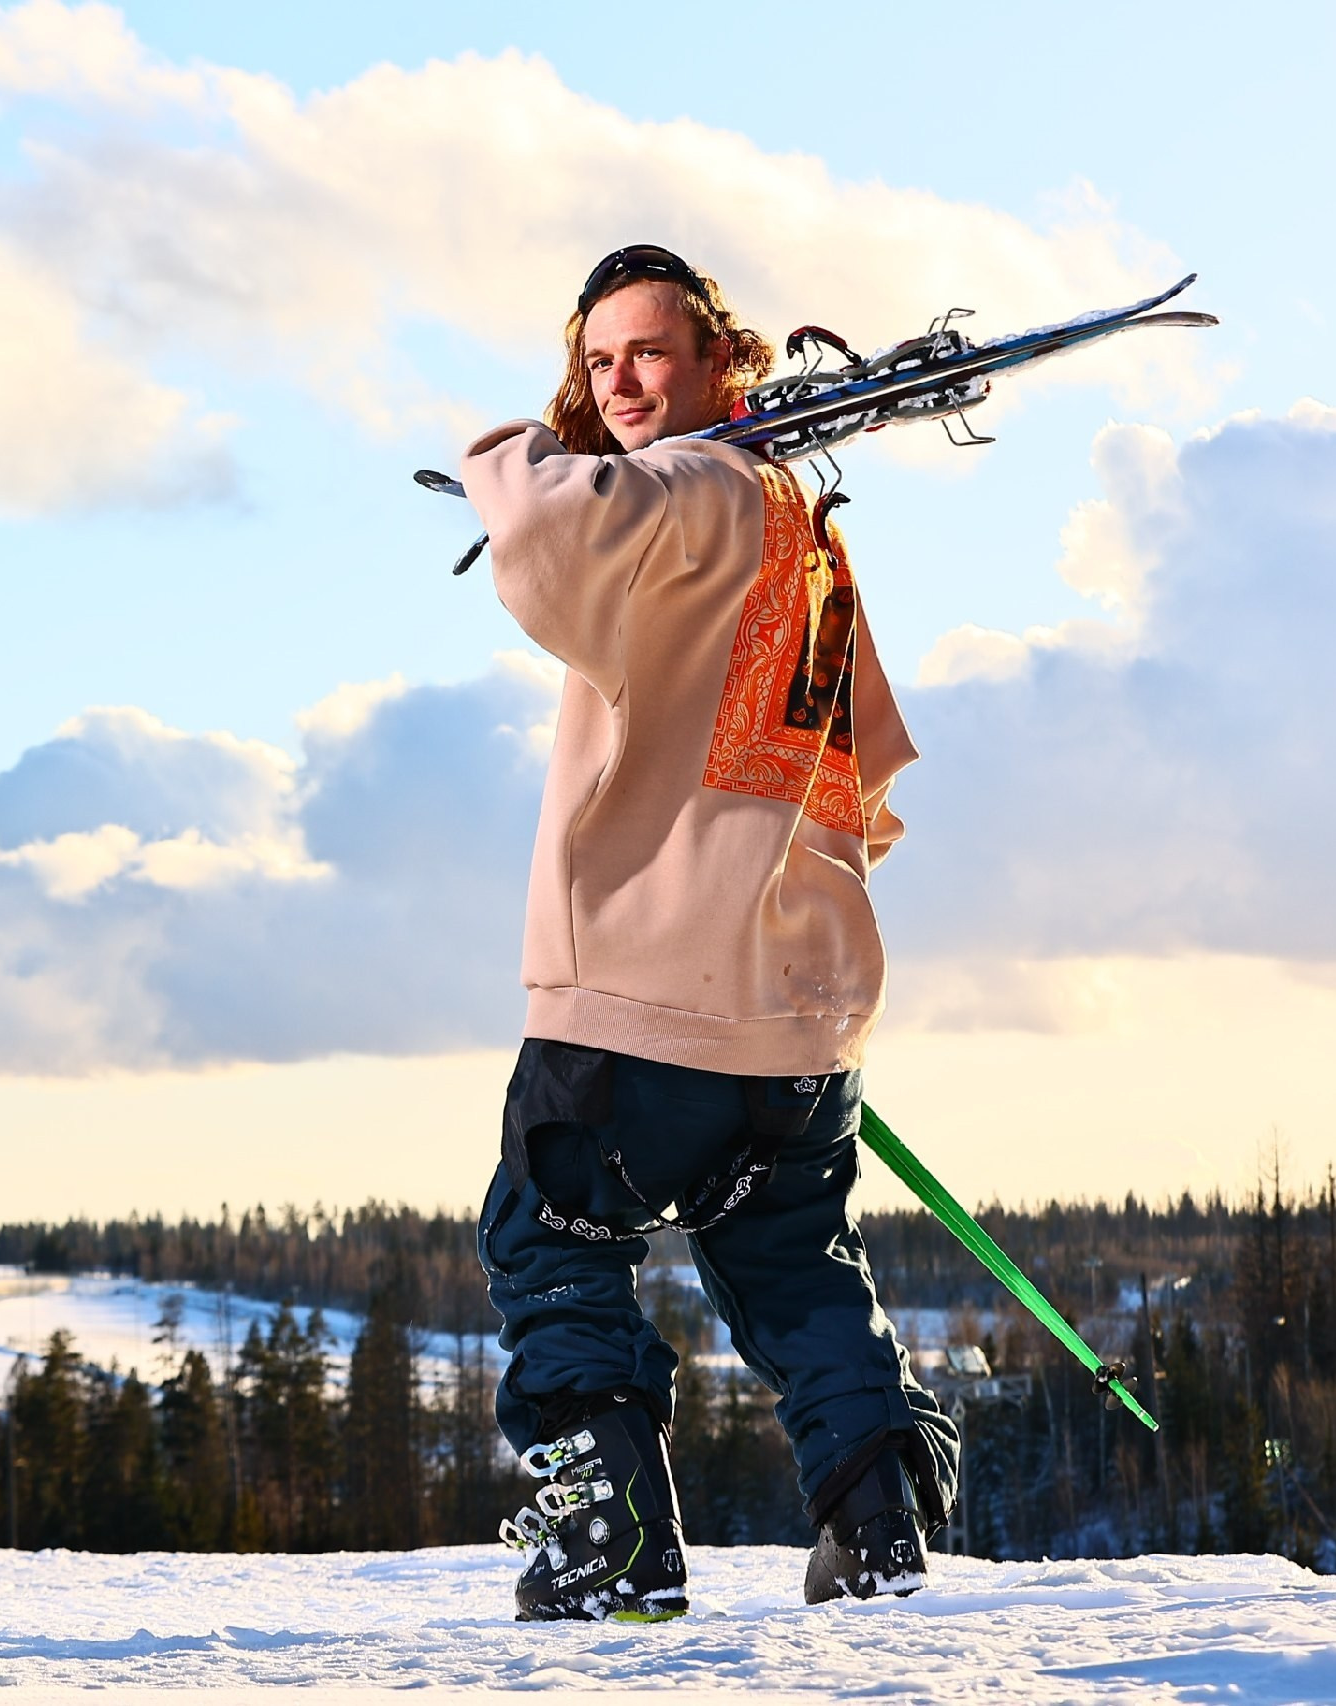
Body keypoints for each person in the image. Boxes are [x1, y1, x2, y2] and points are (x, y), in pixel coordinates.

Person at [460, 244, 961, 1621]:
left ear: (719, 361)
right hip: (798, 1006)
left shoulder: (686, 488)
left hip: (639, 988)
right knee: (792, 1259)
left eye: (649, 353)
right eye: (597, 360)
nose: (619, 383)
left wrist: (511, 451)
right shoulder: (805, 524)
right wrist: (780, 928)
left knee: (548, 1235)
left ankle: (611, 1545)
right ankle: (876, 1528)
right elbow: (864, 770)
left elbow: (542, 530)